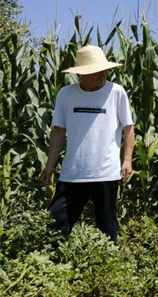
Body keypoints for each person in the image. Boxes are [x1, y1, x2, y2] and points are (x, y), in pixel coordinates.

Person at [40, 45, 135, 243]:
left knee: (107, 229)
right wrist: (50, 165)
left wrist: (127, 160)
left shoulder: (117, 92)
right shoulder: (66, 94)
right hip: (73, 173)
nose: (103, 73)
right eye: (96, 70)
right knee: (55, 225)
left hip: (106, 172)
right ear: (82, 74)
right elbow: (58, 131)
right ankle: (54, 266)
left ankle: (109, 270)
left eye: (105, 69)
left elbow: (128, 127)